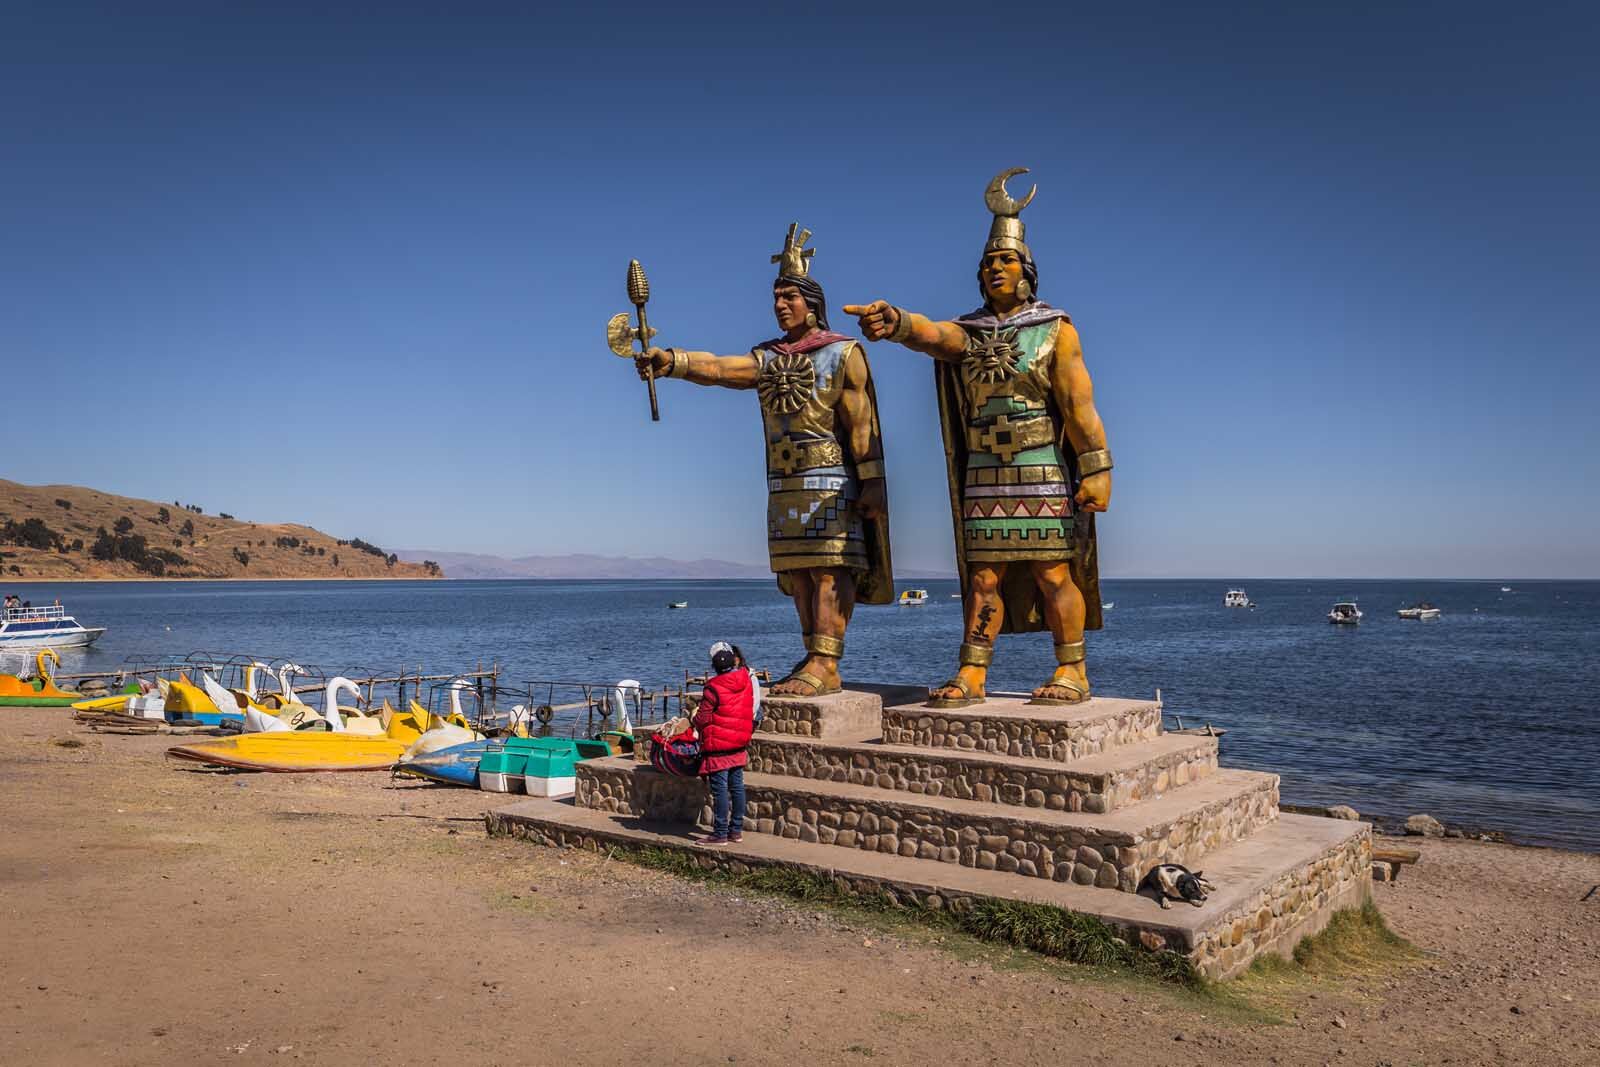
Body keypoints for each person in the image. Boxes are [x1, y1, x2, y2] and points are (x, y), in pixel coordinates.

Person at [846, 168, 1113, 708]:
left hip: (1040, 467)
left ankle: (1072, 669)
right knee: (983, 577)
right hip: (984, 472)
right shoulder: (968, 334)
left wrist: (1097, 468)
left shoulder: (1056, 329)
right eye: (988, 263)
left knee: (1053, 571)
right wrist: (896, 321)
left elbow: (1079, 404)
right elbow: (933, 334)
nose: (995, 269)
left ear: (1027, 271)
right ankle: (972, 672)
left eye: (1005, 261)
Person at [636, 224, 893, 697]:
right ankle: (812, 653)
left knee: (829, 569)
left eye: (789, 296)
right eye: (776, 297)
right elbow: (720, 368)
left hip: (832, 479)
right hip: (784, 480)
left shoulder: (842, 353)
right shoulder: (769, 357)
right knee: (797, 572)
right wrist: (671, 361)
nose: (779, 305)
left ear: (811, 303)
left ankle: (826, 661)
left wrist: (873, 481)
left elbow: (861, 423)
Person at [691, 645, 755, 845]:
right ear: (734, 661)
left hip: (719, 746)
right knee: (737, 787)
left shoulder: (713, 687)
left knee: (720, 791)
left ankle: (719, 833)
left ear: (715, 667)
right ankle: (735, 830)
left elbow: (702, 718)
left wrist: (694, 721)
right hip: (739, 743)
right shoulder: (745, 680)